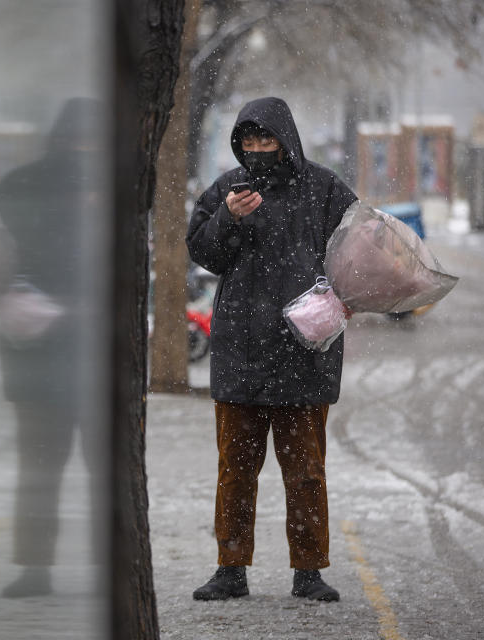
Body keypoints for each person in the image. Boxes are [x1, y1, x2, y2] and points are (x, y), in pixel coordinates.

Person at [185, 97, 358, 602]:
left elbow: (359, 248)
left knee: (305, 470)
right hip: (240, 350)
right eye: (249, 140)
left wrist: (343, 298)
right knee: (235, 470)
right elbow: (203, 252)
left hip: (305, 351)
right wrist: (228, 219)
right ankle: (230, 568)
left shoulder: (323, 188)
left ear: (286, 139)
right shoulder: (226, 188)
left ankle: (308, 571)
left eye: (267, 139)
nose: (258, 149)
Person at [0, 97, 106, 598]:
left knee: (38, 467)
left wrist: (19, 293)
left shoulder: (17, 186)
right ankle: (102, 567)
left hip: (33, 351)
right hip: (86, 353)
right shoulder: (105, 188)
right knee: (99, 467)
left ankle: (35, 566)